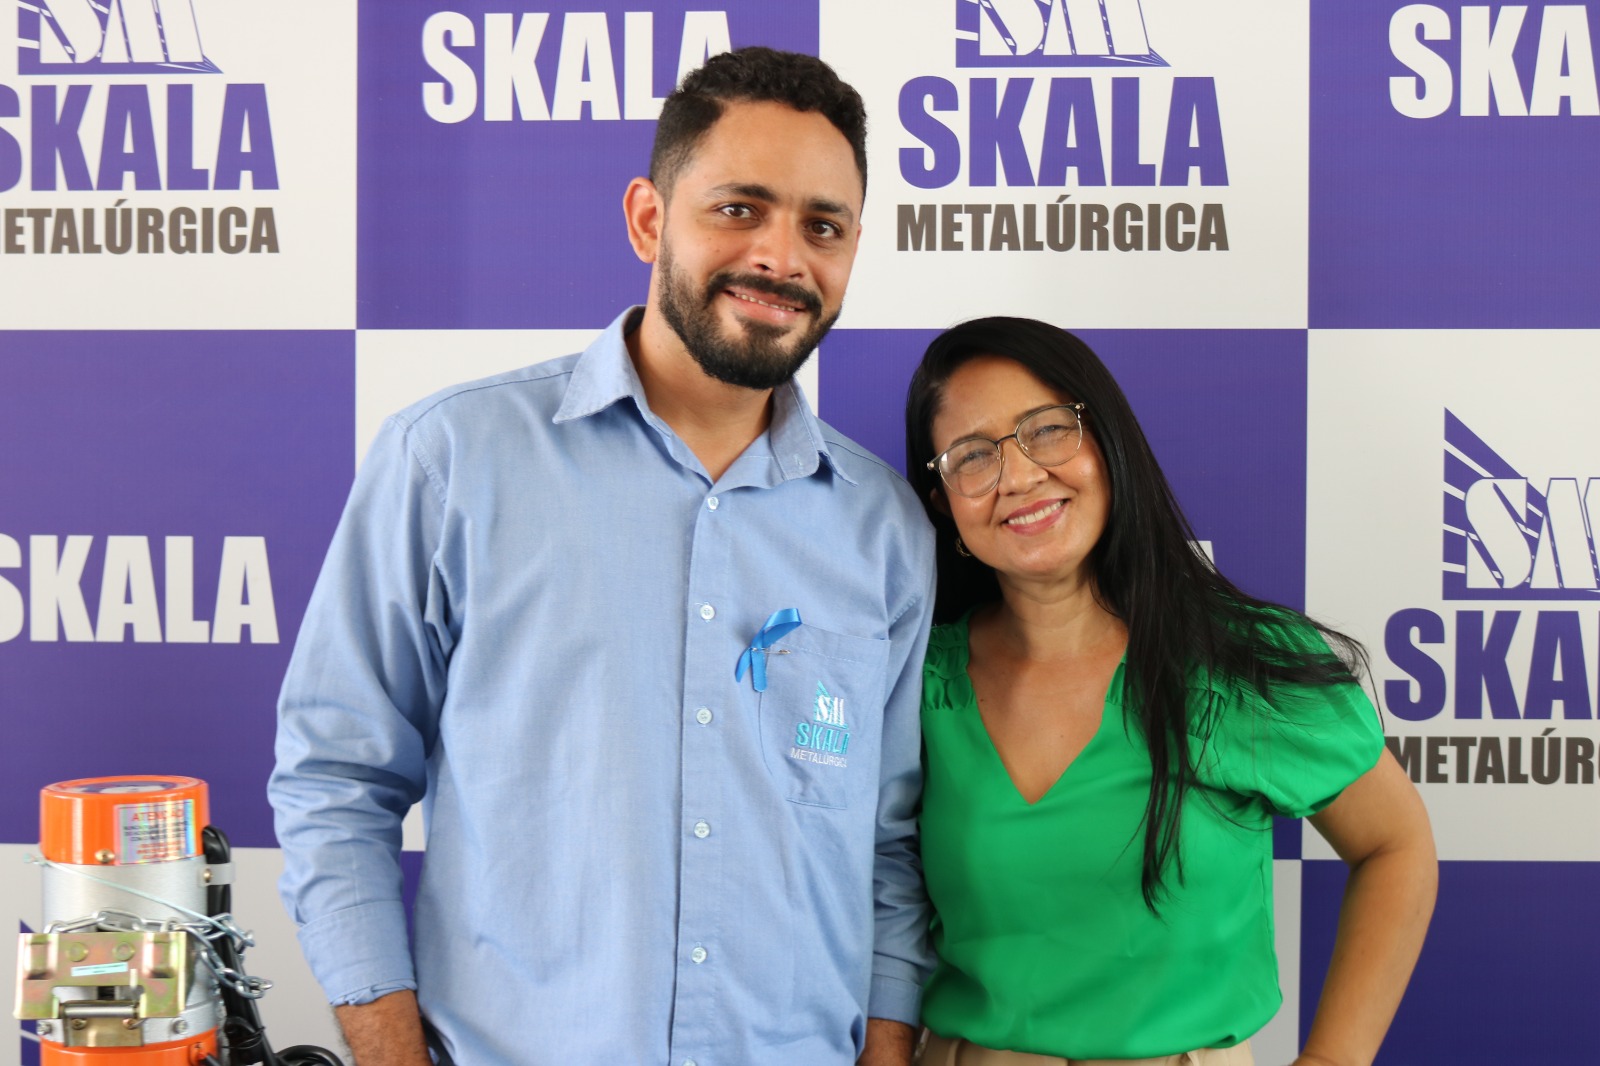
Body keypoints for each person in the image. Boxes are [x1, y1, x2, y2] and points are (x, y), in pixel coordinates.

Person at [269, 47, 935, 1066]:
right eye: (739, 209)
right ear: (647, 219)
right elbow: (334, 781)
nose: (781, 256)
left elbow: (889, 847)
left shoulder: (883, 528)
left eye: (823, 226)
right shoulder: (452, 460)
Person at [902, 317, 1437, 1066]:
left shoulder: (1238, 662)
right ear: (942, 502)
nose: (1017, 477)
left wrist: (1332, 1060)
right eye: (973, 456)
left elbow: (1394, 844)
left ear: (1107, 441)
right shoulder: (913, 679)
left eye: (1047, 430)